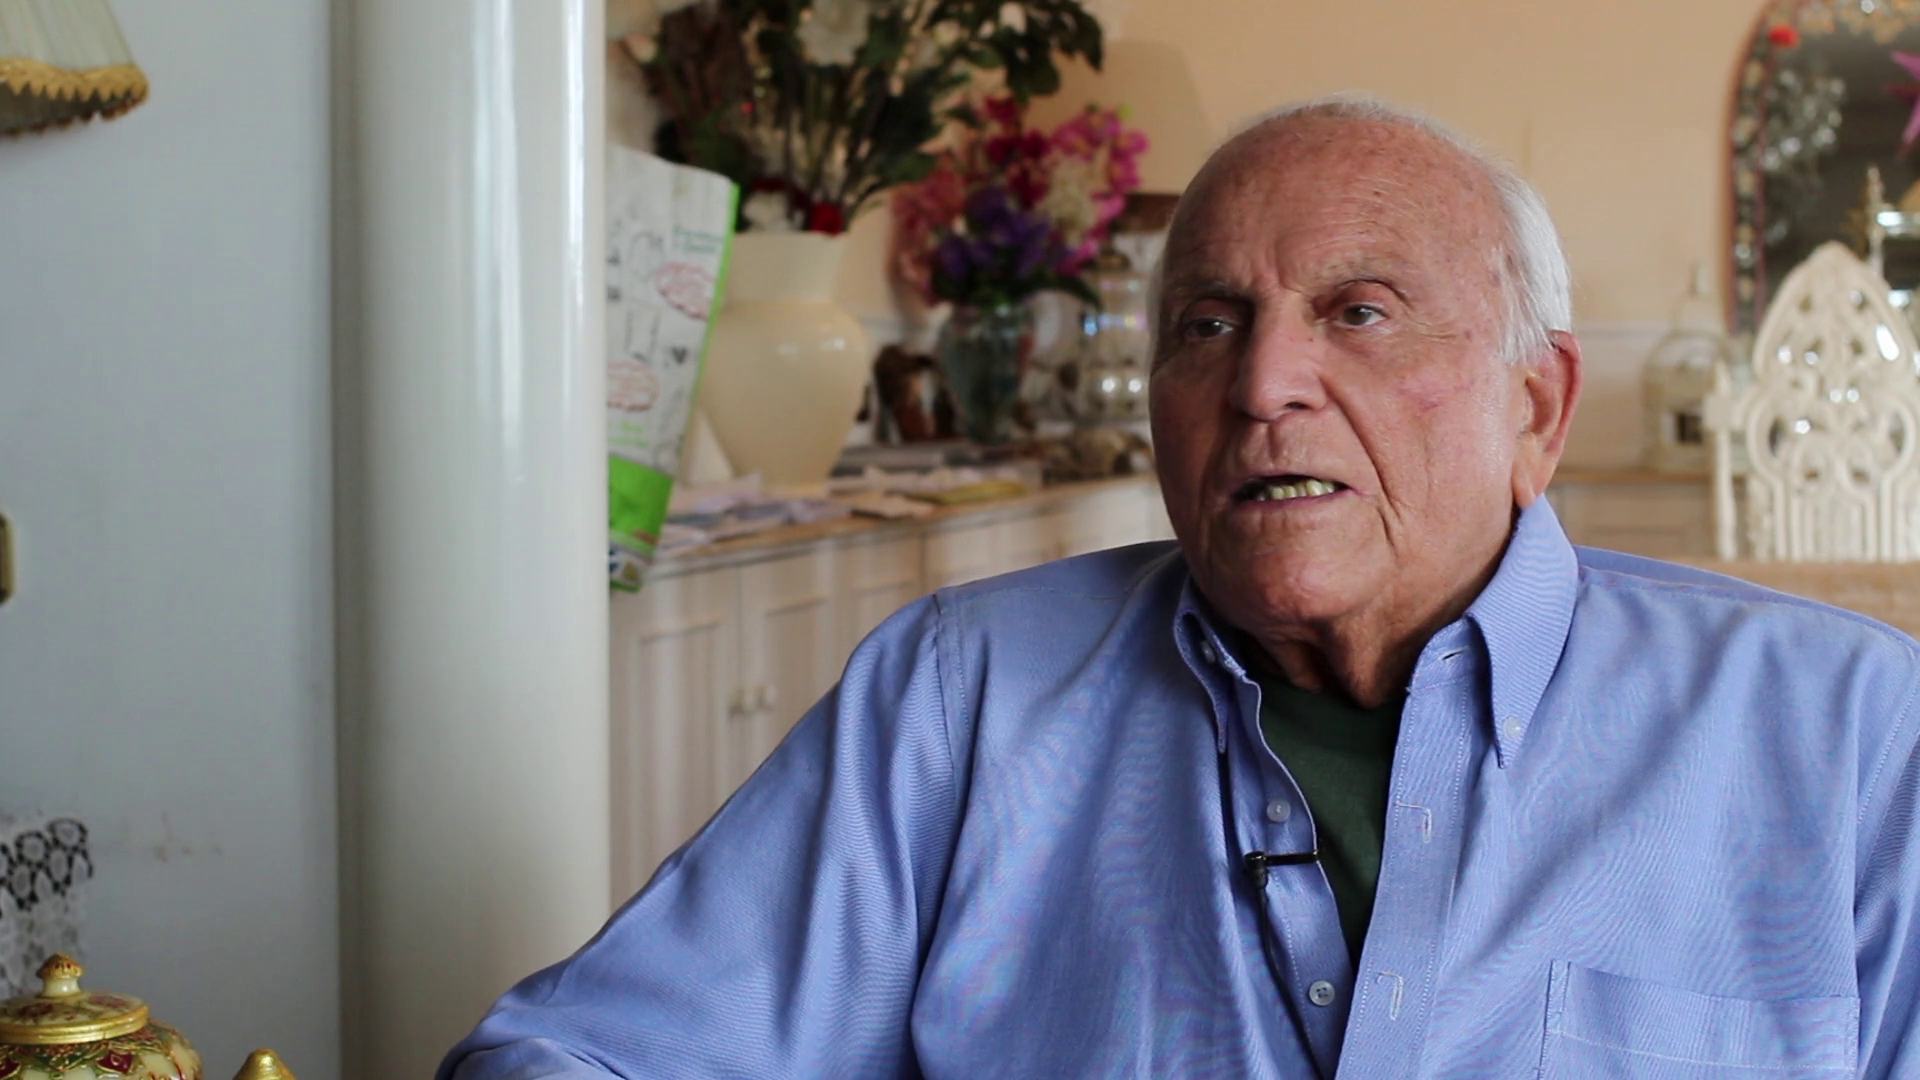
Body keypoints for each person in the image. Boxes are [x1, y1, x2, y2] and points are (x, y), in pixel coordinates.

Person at [438, 96, 1920, 1078]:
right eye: (1208, 324)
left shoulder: (1848, 733)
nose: (1265, 383)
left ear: (1537, 409)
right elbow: (581, 1054)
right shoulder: (962, 699)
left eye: (1359, 312)